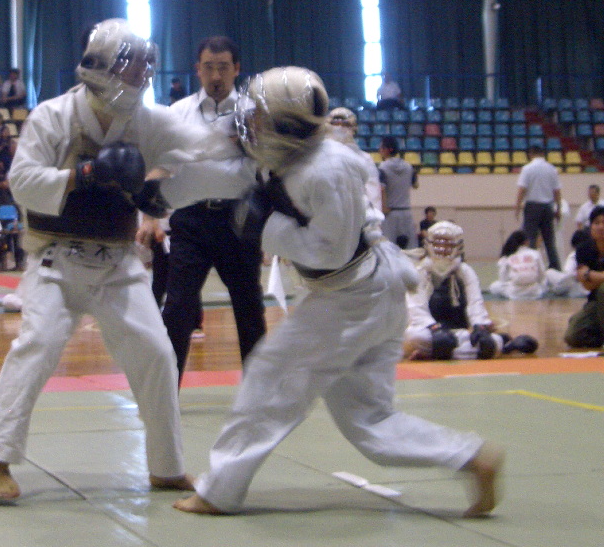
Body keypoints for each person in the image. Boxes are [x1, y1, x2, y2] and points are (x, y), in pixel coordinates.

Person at [173, 66, 504, 518]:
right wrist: (162, 190)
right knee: (371, 423)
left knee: (269, 376)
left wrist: (265, 228)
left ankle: (218, 491)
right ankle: (470, 457)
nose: (251, 122)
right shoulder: (299, 157)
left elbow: (330, 252)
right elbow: (233, 164)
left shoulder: (323, 171)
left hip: (351, 297)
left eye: (261, 116)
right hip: (372, 293)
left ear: (287, 128)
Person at [0, 18, 240, 501]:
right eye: (134, 63)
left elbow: (210, 150)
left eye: (147, 64)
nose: (144, 73)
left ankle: (166, 467)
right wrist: (82, 174)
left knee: (158, 353)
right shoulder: (52, 117)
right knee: (36, 345)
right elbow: (22, 183)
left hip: (118, 262)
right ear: (102, 65)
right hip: (54, 259)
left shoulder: (149, 121)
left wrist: (171, 182)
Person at [157, 36, 265, 385]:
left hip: (240, 220)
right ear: (197, 70)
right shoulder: (177, 114)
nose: (215, 75)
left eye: (223, 67)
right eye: (208, 67)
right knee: (177, 309)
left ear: (236, 69)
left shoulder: (255, 113)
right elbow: (160, 166)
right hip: (190, 221)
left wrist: (246, 144)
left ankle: (259, 394)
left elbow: (271, 165)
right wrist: (150, 216)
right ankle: (165, 392)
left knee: (249, 306)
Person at [404, 221, 539, 360]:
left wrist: (479, 326)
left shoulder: (465, 271)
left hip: (461, 333)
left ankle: (435, 353)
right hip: (430, 331)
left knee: (486, 343)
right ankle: (500, 347)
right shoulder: (419, 273)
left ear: (457, 246)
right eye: (439, 244)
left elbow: (475, 302)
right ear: (429, 244)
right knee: (416, 336)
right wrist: (434, 329)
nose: (443, 248)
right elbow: (416, 308)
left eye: (448, 244)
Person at [326, 107, 383, 217]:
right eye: (335, 124)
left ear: (354, 129)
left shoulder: (364, 159)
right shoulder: (318, 157)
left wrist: (374, 225)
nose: (340, 128)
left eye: (345, 125)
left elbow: (373, 195)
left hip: (356, 219)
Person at [515, 144, 561, 270]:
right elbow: (557, 191)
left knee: (530, 239)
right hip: (547, 206)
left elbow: (522, 189)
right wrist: (559, 208)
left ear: (531, 154)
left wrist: (517, 207)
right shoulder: (551, 169)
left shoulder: (527, 169)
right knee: (549, 241)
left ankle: (531, 267)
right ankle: (555, 268)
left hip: (532, 206)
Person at [564, 205, 604, 348]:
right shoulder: (584, 249)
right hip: (596, 303)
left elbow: (588, 278)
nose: (601, 227)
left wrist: (591, 274)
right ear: (591, 227)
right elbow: (586, 285)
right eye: (597, 223)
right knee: (572, 336)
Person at [378, 135, 418, 248]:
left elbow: (382, 188)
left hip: (390, 213)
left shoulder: (383, 168)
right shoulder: (408, 166)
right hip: (406, 211)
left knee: (389, 248)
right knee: (410, 248)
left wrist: (384, 207)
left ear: (386, 150)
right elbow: (415, 185)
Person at [488, 230, 547, 300]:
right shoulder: (535, 253)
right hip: (535, 292)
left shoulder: (507, 256)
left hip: (515, 293)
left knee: (494, 286)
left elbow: (503, 279)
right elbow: (542, 275)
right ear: (526, 242)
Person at [546, 229, 590, 298]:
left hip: (574, 288)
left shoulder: (574, 255)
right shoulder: (593, 252)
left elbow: (568, 275)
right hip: (583, 286)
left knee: (549, 272)